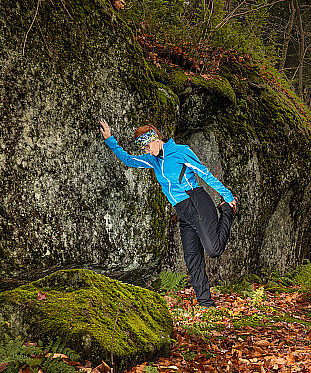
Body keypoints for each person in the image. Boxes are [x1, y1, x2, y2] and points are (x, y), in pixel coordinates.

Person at [99, 119, 237, 308]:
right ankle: (206, 304)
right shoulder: (153, 160)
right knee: (192, 258)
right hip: (183, 211)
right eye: (144, 149)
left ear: (155, 139)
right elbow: (128, 160)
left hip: (197, 201)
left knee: (213, 250)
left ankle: (227, 210)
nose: (147, 151)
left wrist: (227, 196)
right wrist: (110, 139)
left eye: (148, 146)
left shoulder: (180, 151)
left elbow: (204, 173)